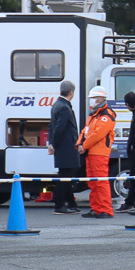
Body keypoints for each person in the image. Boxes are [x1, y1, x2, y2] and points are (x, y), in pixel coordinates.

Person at [79, 86, 116, 218]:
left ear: (101, 98)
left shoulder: (107, 114)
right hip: (91, 152)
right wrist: (79, 144)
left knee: (101, 182)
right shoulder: (94, 114)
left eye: (93, 98)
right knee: (93, 182)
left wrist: (84, 145)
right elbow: (85, 131)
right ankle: (96, 208)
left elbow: (97, 134)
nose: (91, 101)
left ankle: (106, 209)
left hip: (100, 152)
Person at [48, 79, 82, 213]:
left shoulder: (56, 104)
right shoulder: (64, 107)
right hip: (66, 146)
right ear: (71, 92)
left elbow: (52, 127)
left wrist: (51, 143)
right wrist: (54, 144)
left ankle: (71, 203)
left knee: (66, 176)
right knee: (65, 177)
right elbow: (60, 128)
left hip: (61, 146)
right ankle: (59, 205)